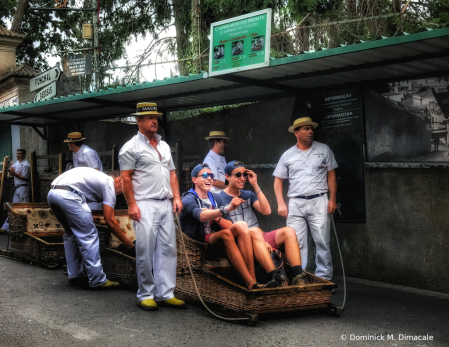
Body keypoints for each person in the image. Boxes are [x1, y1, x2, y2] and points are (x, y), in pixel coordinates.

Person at [119, 102, 185, 311]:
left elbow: (172, 173)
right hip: (144, 204)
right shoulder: (130, 147)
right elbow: (126, 178)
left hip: (165, 202)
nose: (154, 121)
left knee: (168, 249)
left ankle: (166, 292)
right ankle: (145, 293)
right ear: (138, 121)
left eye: (156, 117)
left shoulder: (164, 146)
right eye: (149, 118)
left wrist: (177, 197)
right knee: (145, 250)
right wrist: (132, 205)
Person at [180, 163, 282, 289]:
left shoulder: (216, 197)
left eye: (211, 175)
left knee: (242, 225)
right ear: (194, 179)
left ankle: (256, 280)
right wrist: (225, 209)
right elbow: (201, 216)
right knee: (226, 234)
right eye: (205, 175)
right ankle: (250, 283)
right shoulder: (188, 198)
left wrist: (217, 217)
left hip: (218, 236)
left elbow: (229, 225)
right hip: (198, 240)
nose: (209, 178)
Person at [214, 160, 306, 285]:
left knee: (289, 232)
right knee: (253, 230)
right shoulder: (218, 198)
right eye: (238, 175)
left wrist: (255, 185)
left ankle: (298, 276)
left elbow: (267, 211)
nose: (242, 178)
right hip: (242, 240)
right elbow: (224, 227)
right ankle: (277, 277)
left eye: (244, 175)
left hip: (258, 235)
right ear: (227, 177)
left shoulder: (248, 194)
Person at [273, 117, 338, 280]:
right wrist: (281, 203)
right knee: (296, 242)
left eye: (311, 128)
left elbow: (332, 175)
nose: (310, 131)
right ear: (296, 133)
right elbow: (278, 180)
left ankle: (324, 277)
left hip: (319, 200)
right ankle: (298, 276)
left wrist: (332, 199)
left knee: (322, 241)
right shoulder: (287, 154)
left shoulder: (324, 150)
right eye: (305, 129)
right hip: (296, 202)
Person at [47, 168, 135, 288]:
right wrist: (127, 242)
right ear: (119, 180)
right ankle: (98, 280)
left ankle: (75, 275)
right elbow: (110, 221)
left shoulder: (99, 178)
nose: (121, 194)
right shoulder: (109, 184)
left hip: (53, 193)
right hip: (69, 195)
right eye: (121, 191)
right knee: (89, 235)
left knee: (70, 234)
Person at [65, 132, 103, 210]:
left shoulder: (87, 153)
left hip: (93, 186)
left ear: (73, 144)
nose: (68, 145)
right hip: (84, 185)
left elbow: (96, 172)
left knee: (93, 209)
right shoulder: (75, 153)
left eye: (69, 143)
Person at [1, 149, 31, 232]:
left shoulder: (26, 165)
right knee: (13, 208)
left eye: (19, 153)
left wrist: (15, 174)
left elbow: (26, 178)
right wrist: (10, 170)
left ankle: (26, 228)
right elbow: (10, 173)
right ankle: (6, 228)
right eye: (17, 153)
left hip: (24, 187)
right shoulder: (16, 164)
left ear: (24, 155)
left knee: (25, 208)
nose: (17, 155)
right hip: (17, 188)